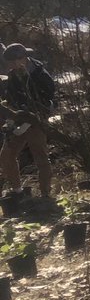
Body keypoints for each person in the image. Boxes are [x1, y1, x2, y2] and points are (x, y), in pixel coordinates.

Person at [0, 43, 56, 198]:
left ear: (22, 58)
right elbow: (11, 98)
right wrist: (11, 119)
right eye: (8, 63)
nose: (10, 66)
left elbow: (48, 100)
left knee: (40, 157)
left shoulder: (40, 75)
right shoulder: (13, 75)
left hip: (37, 121)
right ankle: (17, 191)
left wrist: (34, 117)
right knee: (6, 156)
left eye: (12, 62)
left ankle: (45, 195)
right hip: (18, 119)